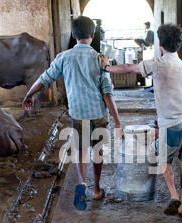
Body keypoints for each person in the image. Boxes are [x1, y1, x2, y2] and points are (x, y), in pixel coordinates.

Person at [23, 16, 122, 212]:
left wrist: (29, 94)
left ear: (74, 35)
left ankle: (81, 183)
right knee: (97, 151)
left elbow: (44, 79)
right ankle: (96, 189)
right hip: (99, 113)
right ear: (92, 36)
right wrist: (117, 120)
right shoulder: (100, 59)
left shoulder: (63, 57)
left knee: (81, 150)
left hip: (79, 113)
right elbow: (107, 92)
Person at [101, 24, 182, 217]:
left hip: (173, 124)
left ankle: (173, 195)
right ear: (179, 44)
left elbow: (129, 68)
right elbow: (180, 95)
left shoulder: (157, 64)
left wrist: (106, 67)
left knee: (161, 158)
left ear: (160, 43)